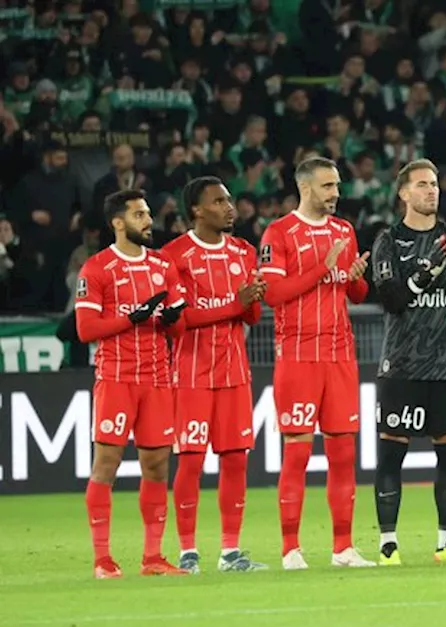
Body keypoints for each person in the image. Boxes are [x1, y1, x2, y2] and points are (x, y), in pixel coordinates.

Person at [260, 157, 375, 570]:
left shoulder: (344, 230)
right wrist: (321, 268)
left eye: (337, 185)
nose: (336, 194)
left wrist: (357, 275)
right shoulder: (279, 232)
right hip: (297, 356)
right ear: (305, 188)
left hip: (340, 354)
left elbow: (356, 294)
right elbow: (272, 294)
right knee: (297, 453)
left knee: (344, 453)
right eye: (328, 186)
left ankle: (343, 547)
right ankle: (291, 549)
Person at [370, 159, 446, 565]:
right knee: (391, 457)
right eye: (422, 185)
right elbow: (393, 300)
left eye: (434, 184)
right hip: (402, 367)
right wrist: (427, 273)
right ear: (404, 193)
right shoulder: (388, 240)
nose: (431, 191)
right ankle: (387, 545)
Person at [75, 189, 189, 578]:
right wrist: (132, 319)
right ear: (118, 222)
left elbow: (181, 324)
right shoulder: (96, 268)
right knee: (105, 464)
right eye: (139, 214)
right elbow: (86, 329)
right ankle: (102, 559)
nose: (148, 220)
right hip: (116, 378)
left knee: (157, 467)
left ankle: (153, 557)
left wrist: (172, 319)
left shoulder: (162, 266)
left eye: (148, 213)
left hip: (157, 378)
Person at [168, 177, 269, 573]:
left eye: (229, 200)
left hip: (234, 372)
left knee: (235, 461)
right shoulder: (173, 255)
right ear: (197, 210)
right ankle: (187, 552)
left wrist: (248, 303)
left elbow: (252, 314)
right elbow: (180, 321)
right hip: (192, 373)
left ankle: (230, 552)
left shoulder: (243, 251)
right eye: (219, 201)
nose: (230, 207)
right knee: (190, 462)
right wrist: (234, 304)